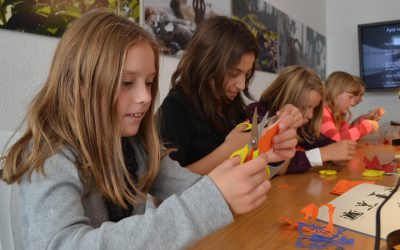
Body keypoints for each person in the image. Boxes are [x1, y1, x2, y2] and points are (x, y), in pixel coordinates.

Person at [0, 10, 273, 249]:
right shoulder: (50, 157)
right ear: (79, 85)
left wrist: (266, 155)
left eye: (150, 82)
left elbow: (194, 187)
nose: (145, 96)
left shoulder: (136, 144)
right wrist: (210, 200)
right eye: (127, 82)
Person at [158, 16, 303, 175]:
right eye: (234, 73)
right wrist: (229, 149)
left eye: (246, 74)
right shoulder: (174, 109)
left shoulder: (231, 104)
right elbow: (164, 193)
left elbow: (279, 169)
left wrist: (285, 133)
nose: (241, 85)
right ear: (206, 63)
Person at [247, 66, 357, 174]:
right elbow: (273, 163)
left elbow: (318, 141)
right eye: (304, 107)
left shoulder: (302, 126)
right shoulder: (257, 113)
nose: (310, 115)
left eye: (314, 108)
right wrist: (323, 154)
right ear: (287, 98)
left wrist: (338, 149)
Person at [321, 71, 379, 141]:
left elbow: (347, 132)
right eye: (350, 97)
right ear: (336, 93)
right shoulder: (323, 112)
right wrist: (365, 127)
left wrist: (363, 121)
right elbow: (334, 141)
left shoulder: (336, 113)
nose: (352, 102)